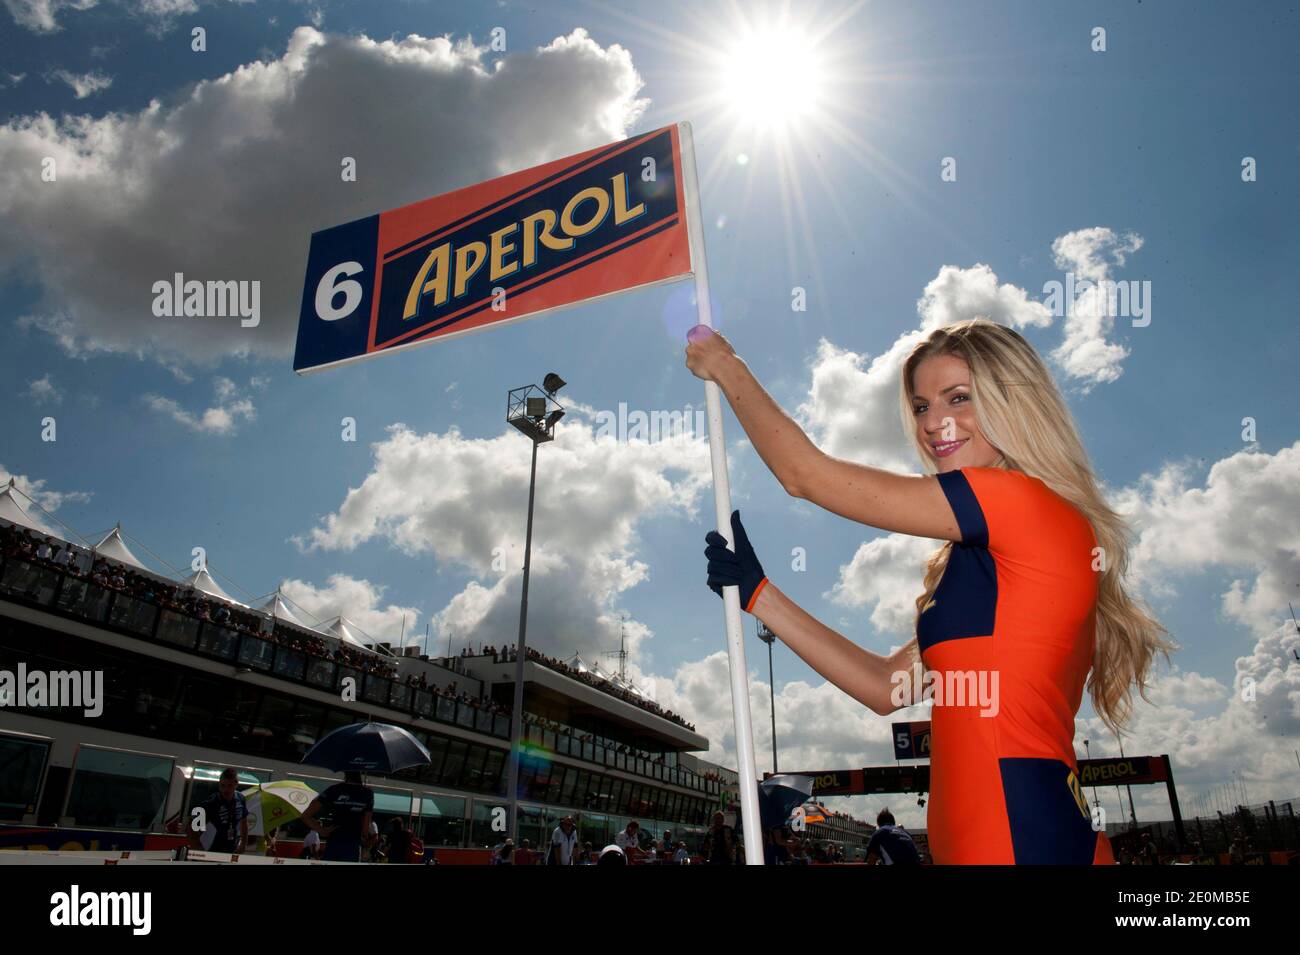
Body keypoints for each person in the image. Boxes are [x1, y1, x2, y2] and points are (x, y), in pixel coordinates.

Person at [688, 320, 1174, 865]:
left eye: (959, 398)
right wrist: (759, 596)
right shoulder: (986, 559)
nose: (935, 423)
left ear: (1015, 402)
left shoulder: (1019, 503)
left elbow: (807, 476)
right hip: (1004, 836)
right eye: (921, 407)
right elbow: (884, 689)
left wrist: (727, 367)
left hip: (1017, 837)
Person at [300, 771, 375, 863]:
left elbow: (305, 816)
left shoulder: (333, 790)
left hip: (333, 843)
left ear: (345, 773)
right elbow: (365, 829)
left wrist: (322, 831)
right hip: (352, 845)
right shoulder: (368, 793)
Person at [188, 767, 248, 855]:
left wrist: (243, 845)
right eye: (222, 785)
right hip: (213, 851)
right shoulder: (211, 803)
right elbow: (191, 829)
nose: (225, 790)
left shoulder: (241, 798)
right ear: (219, 784)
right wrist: (200, 852)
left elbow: (244, 822)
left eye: (229, 786)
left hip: (232, 850)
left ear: (236, 785)